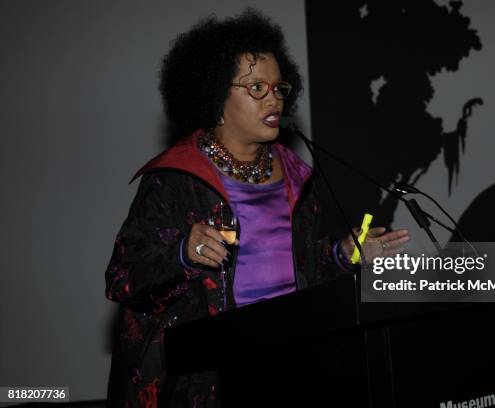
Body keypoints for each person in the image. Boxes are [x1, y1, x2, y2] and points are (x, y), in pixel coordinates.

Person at [104, 9, 410, 407]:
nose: (275, 100)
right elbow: (123, 278)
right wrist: (182, 253)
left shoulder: (298, 176)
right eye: (256, 88)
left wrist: (342, 255)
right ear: (215, 94)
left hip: (295, 369)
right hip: (209, 383)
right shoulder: (176, 179)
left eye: (279, 88)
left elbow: (302, 272)